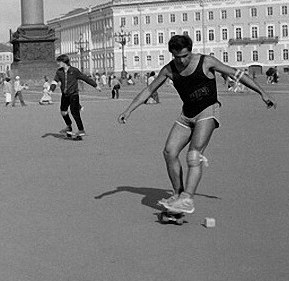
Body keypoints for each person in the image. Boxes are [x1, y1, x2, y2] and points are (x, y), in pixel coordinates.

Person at [117, 35, 274, 215]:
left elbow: (235, 74)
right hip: (187, 115)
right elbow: (149, 90)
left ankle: (187, 199)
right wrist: (128, 110)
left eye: (185, 55)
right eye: (177, 57)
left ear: (190, 50)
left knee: (194, 155)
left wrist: (262, 93)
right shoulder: (168, 70)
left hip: (208, 111)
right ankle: (177, 194)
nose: (182, 60)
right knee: (169, 152)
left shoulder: (206, 62)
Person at [48, 55, 98, 139]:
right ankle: (69, 126)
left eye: (59, 62)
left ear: (63, 62)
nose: (57, 64)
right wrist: (51, 90)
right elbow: (55, 81)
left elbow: (84, 78)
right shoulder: (59, 72)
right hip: (65, 95)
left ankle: (81, 130)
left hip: (74, 95)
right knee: (63, 111)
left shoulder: (74, 71)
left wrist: (95, 85)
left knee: (74, 112)